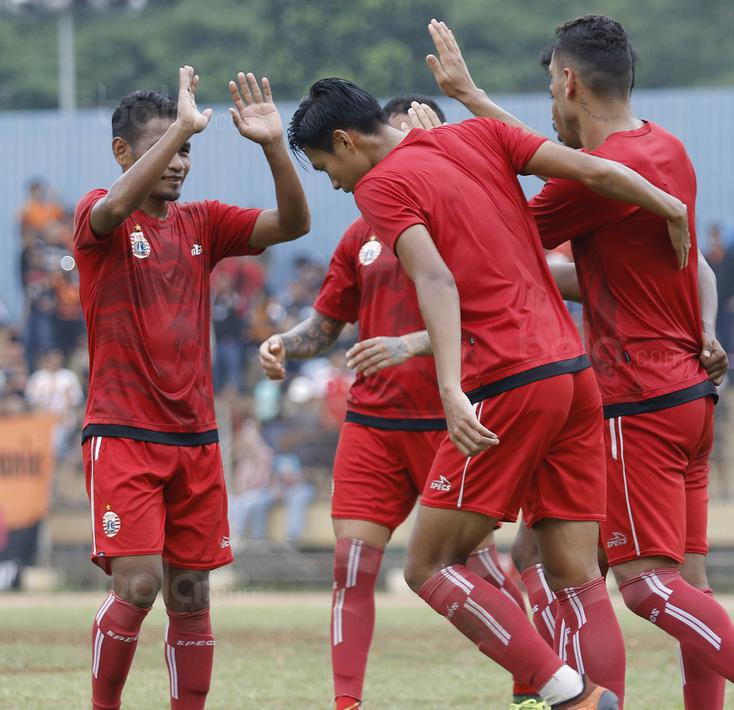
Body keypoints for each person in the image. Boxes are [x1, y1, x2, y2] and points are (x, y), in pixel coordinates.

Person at [423, 16, 734, 709]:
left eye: (549, 94)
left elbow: (505, 242)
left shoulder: (591, 182)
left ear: (568, 82)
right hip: (690, 398)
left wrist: (445, 140)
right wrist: (473, 99)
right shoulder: (667, 150)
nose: (547, 114)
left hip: (635, 395)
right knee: (689, 589)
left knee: (643, 586)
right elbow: (638, 269)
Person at [286, 69, 702, 708]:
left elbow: (434, 279)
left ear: (345, 141)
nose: (335, 182)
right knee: (576, 575)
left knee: (428, 567)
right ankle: (595, 696)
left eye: (323, 166)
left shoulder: (381, 185)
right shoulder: (480, 134)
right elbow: (590, 170)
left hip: (510, 377)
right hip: (573, 370)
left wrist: (450, 388)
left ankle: (569, 693)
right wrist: (669, 205)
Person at [262, 95, 547, 710]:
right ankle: (346, 702)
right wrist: (286, 344)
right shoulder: (360, 233)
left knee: (477, 567)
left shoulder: (461, 213)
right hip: (371, 425)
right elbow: (329, 322)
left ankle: (534, 684)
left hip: (453, 420)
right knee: (351, 564)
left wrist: (410, 347)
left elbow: (488, 303)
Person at [74, 67, 310, 710]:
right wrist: (181, 120)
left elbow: (294, 223)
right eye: (163, 148)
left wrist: (270, 146)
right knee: (141, 585)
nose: (178, 161)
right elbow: (113, 208)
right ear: (123, 153)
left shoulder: (202, 222)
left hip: (197, 439)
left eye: (185, 149)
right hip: (124, 434)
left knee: (191, 596)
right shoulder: (101, 215)